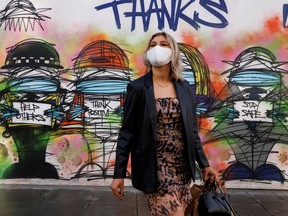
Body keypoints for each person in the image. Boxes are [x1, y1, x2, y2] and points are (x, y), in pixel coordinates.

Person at [110, 31, 218, 216]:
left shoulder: (184, 88)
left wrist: (204, 165)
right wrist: (118, 174)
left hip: (181, 168)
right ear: (147, 52)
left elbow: (192, 132)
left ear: (173, 52)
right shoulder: (137, 88)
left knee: (180, 211)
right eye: (153, 45)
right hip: (154, 167)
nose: (157, 48)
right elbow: (127, 132)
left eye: (163, 44)